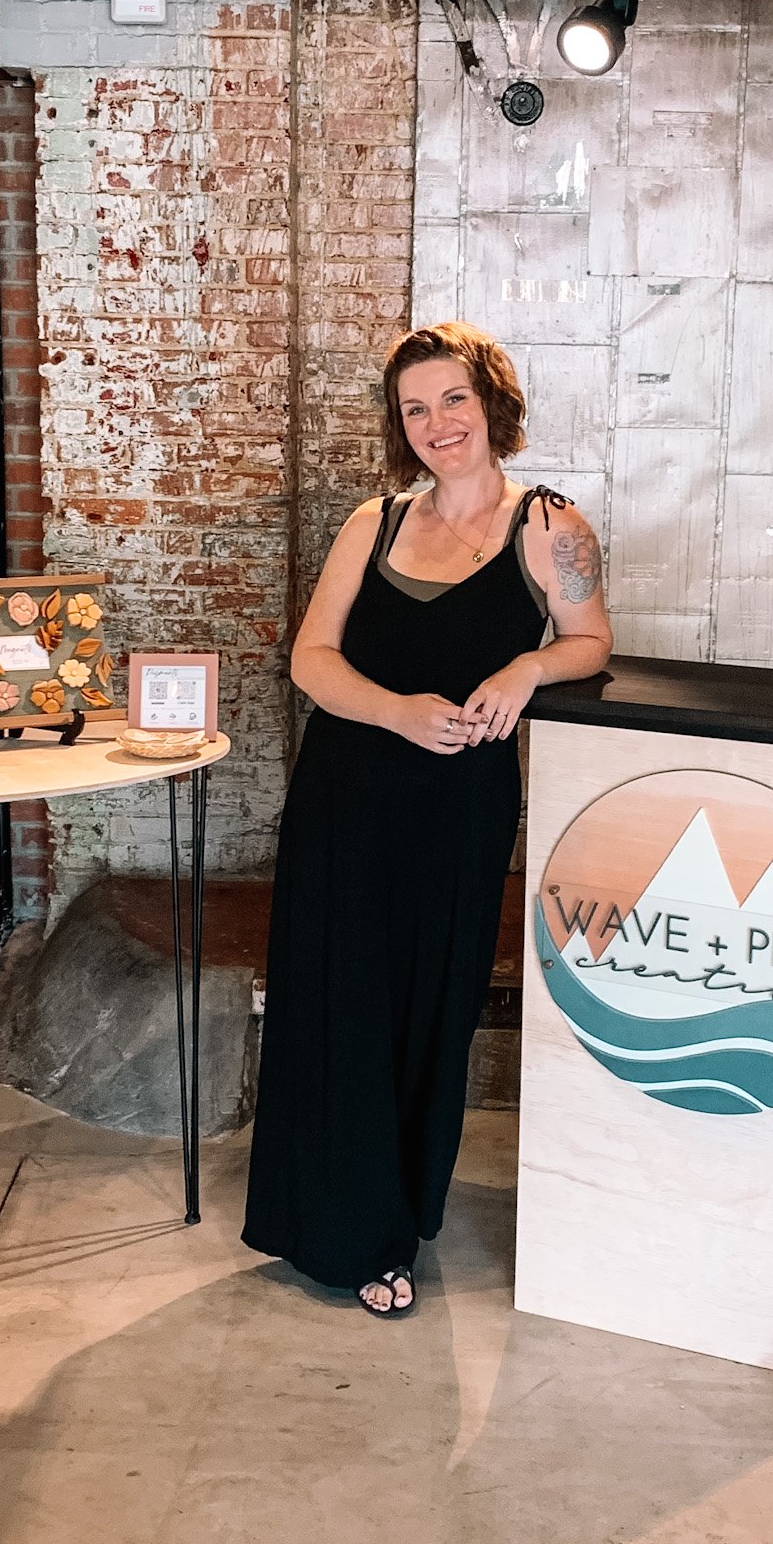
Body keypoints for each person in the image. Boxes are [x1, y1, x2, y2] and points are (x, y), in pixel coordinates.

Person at [242, 322, 614, 1316]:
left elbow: (589, 638)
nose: (437, 422)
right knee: (334, 1002)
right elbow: (311, 659)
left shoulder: (550, 524)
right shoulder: (374, 522)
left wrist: (527, 665)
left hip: (458, 809)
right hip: (344, 796)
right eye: (415, 408)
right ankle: (332, 1226)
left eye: (453, 398)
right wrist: (396, 711)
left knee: (425, 1009)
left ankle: (390, 1223)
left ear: (491, 403)